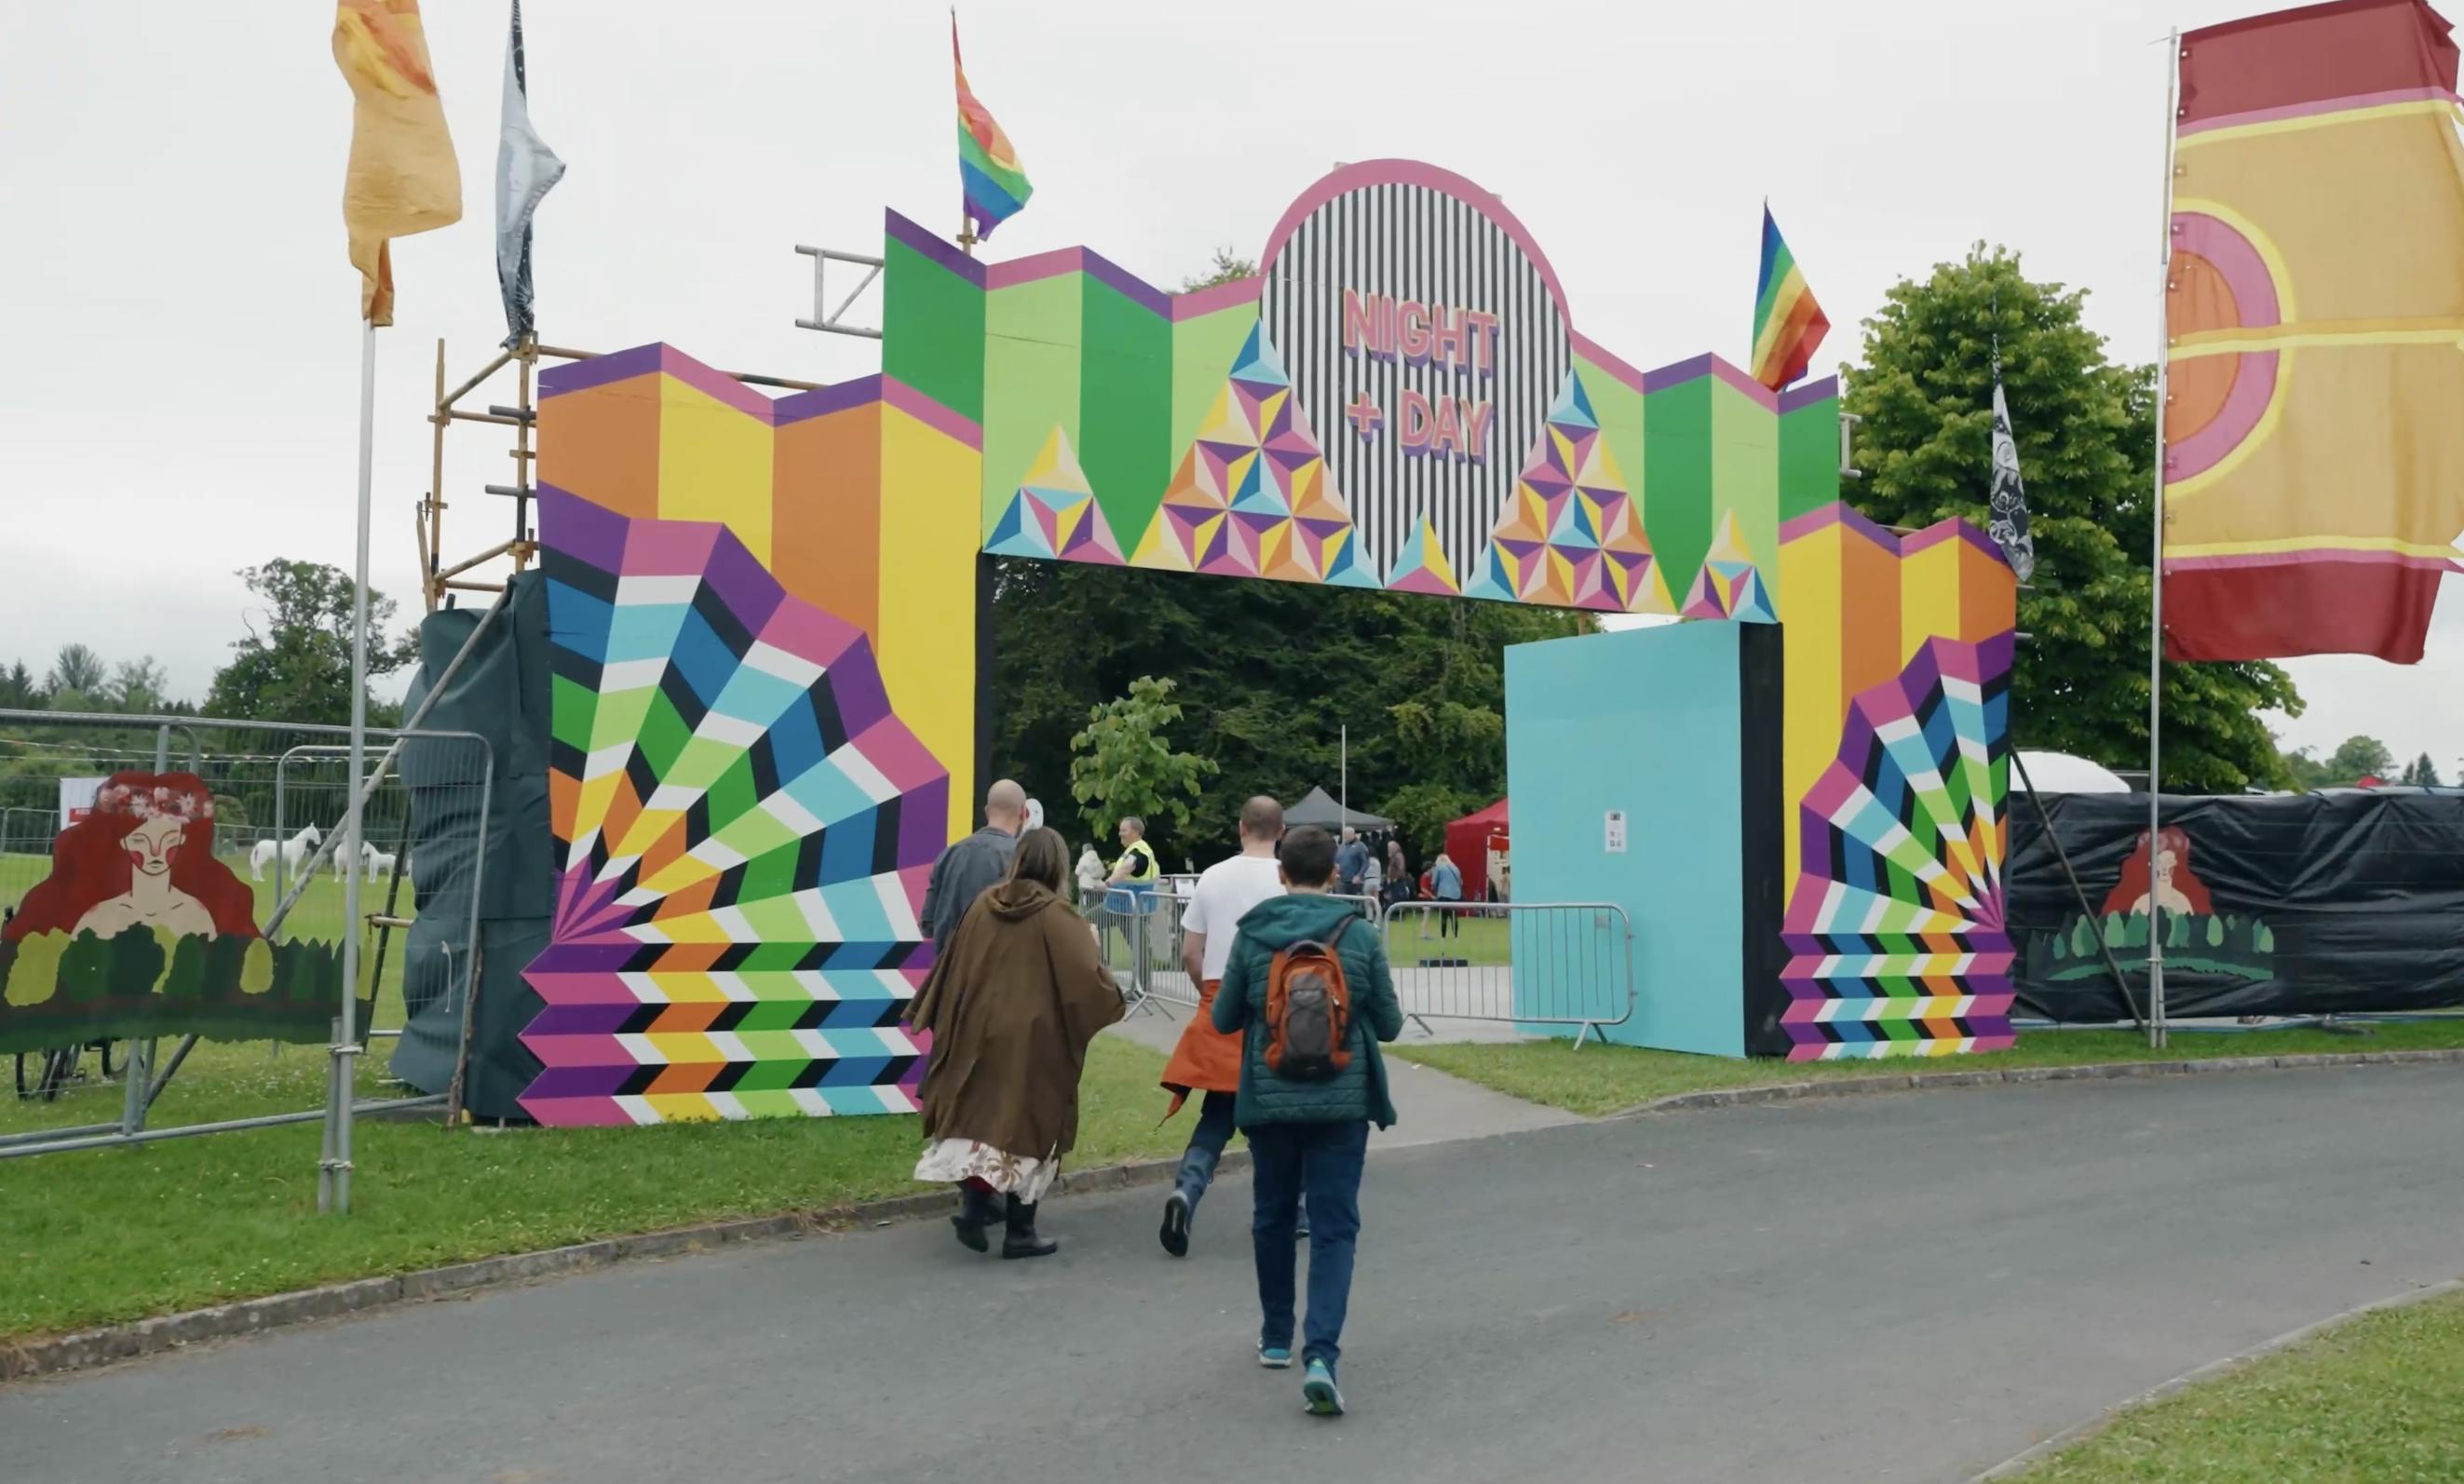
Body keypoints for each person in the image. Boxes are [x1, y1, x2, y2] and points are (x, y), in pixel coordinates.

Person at [1213, 826, 1404, 1417]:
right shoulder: (1360, 934)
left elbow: (1223, 1020)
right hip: (1342, 1105)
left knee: (1271, 1217)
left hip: (1269, 1105)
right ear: (1334, 873)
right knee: (1333, 1229)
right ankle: (1320, 1354)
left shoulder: (1252, 936)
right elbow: (1391, 1025)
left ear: (1280, 872)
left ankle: (1275, 1337)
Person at [905, 828, 1127, 1259]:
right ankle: (1020, 1232)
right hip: (1034, 1040)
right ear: (1058, 866)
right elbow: (1085, 980)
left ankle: (974, 1211)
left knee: (979, 1121)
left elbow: (954, 965)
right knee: (1032, 1124)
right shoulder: (1058, 917)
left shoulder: (982, 907)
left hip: (978, 1032)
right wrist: (1109, 989)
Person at [1157, 795, 1306, 1257]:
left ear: (1241, 827)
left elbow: (1189, 953)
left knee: (1218, 1116)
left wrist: (1209, 994)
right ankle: (1291, 1210)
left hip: (1221, 1001)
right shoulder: (1290, 880)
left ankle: (1186, 1191)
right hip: (1273, 1006)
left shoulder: (1212, 877)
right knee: (1279, 1117)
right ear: (1281, 831)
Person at [919, 779, 1025, 961]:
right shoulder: (1023, 858)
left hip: (948, 980)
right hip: (997, 979)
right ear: (1024, 813)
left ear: (986, 812)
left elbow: (928, 925)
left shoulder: (948, 855)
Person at [1428, 850, 1464, 938]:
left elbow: (1434, 883)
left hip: (1443, 894)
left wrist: (1435, 891)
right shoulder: (1455, 868)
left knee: (1444, 916)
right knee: (1454, 916)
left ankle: (1443, 936)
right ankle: (1455, 936)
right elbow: (1460, 882)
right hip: (1456, 895)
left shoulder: (1439, 868)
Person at [1334, 828, 1368, 897]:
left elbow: (1365, 863)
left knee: (1354, 901)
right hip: (1341, 880)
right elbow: (1336, 861)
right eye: (1344, 835)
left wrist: (1359, 876)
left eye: (1347, 834)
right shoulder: (1341, 847)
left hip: (1354, 881)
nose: (1345, 836)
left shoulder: (1360, 846)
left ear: (1353, 835)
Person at [1074, 843, 1105, 910]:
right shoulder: (1097, 859)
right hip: (1097, 885)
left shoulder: (1083, 859)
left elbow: (1077, 872)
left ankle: (1084, 914)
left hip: (1086, 886)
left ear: (1084, 850)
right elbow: (1102, 872)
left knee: (1085, 905)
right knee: (1095, 904)